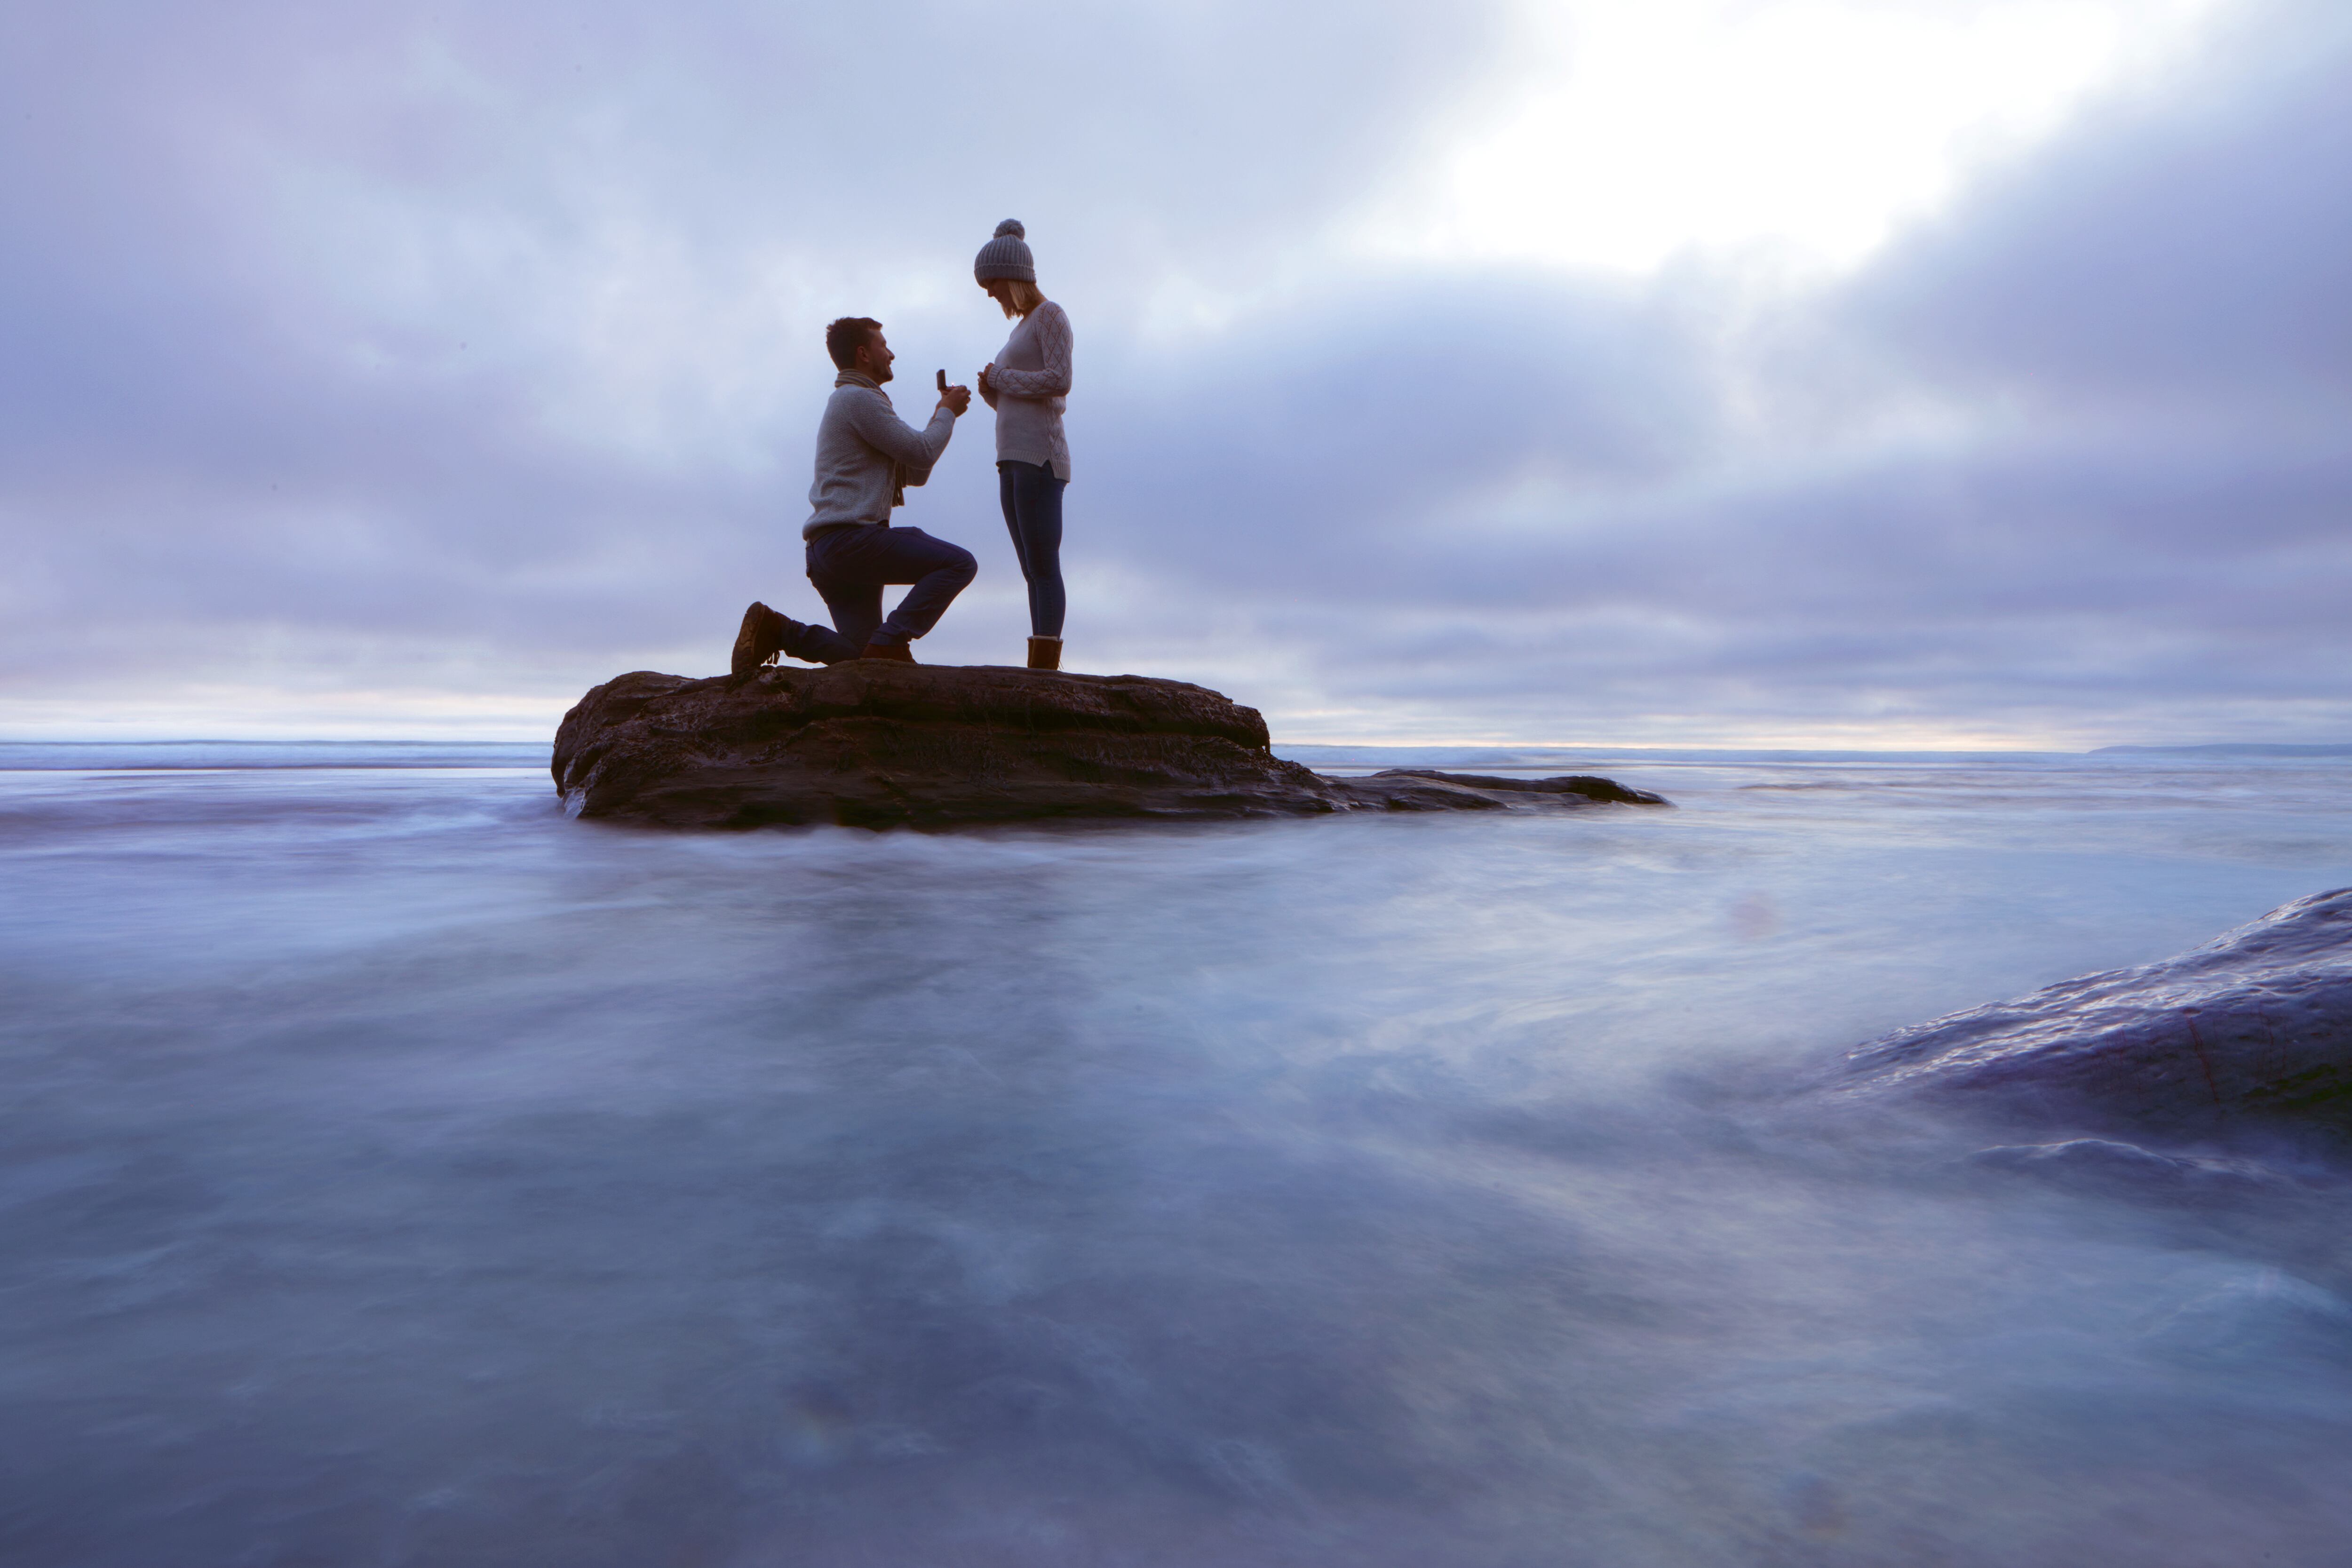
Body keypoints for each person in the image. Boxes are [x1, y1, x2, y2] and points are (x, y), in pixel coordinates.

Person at [731, 317, 976, 674]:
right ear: (863, 353)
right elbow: (923, 452)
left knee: (865, 660)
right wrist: (947, 415)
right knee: (959, 563)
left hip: (827, 552)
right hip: (852, 541)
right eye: (883, 345)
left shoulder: (855, 402)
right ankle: (894, 638)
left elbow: (916, 469)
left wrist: (940, 417)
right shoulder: (859, 400)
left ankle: (780, 630)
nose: (890, 354)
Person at [973, 220, 1073, 671]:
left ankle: (1046, 665)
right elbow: (1021, 399)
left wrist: (1001, 378)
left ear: (1011, 276)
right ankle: (1040, 657)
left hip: (1040, 458)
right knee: (1030, 567)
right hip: (1011, 456)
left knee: (1042, 563)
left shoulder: (1050, 315)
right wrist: (992, 392)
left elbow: (1060, 380)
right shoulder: (1021, 329)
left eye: (991, 283)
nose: (990, 293)